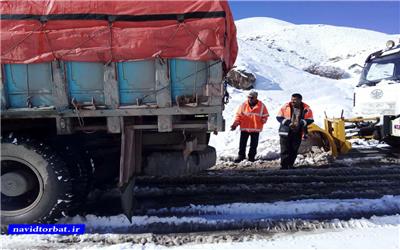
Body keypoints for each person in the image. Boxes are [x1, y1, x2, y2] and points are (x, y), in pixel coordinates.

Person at [276, 93, 314, 169]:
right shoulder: (286, 106)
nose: (293, 101)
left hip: (298, 132)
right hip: (285, 131)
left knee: (294, 149)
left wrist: (301, 123)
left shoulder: (306, 108)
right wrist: (288, 123)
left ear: (300, 100)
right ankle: (284, 166)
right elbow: (279, 117)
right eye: (292, 99)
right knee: (284, 149)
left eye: (295, 100)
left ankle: (290, 164)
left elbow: (310, 119)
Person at [230, 90, 269, 162]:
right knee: (242, 144)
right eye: (249, 97)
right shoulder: (243, 105)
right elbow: (239, 116)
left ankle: (251, 157)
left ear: (256, 97)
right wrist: (235, 124)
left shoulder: (261, 106)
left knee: (253, 145)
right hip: (245, 128)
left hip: (255, 128)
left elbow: (265, 115)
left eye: (252, 97)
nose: (250, 99)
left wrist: (263, 121)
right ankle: (241, 156)